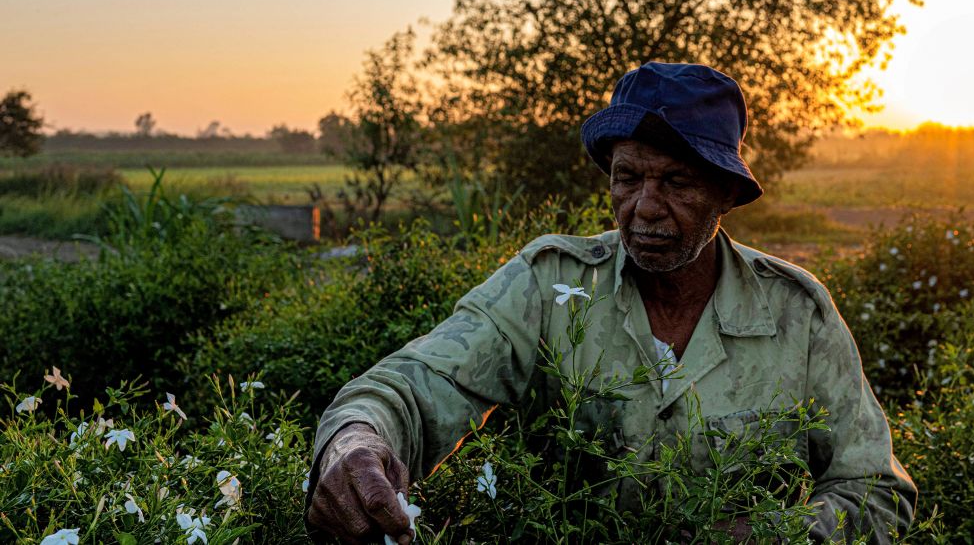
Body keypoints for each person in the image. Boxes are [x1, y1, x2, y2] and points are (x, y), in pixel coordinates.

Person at [305, 62, 916, 543]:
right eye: (628, 179)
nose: (644, 207)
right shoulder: (551, 283)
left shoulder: (798, 314)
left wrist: (778, 535)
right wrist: (354, 441)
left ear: (725, 192)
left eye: (675, 183)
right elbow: (417, 382)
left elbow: (873, 489)